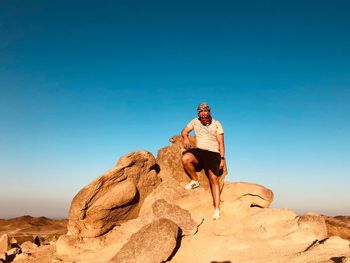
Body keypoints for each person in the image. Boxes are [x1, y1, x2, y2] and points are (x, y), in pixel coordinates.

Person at [181, 102, 226, 220]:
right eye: (201, 111)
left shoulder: (216, 124)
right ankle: (195, 180)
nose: (203, 113)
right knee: (186, 158)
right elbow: (184, 131)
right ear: (199, 113)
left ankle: (217, 209)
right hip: (200, 152)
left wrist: (222, 159)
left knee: (214, 179)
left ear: (209, 112)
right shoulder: (195, 121)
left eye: (205, 111)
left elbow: (221, 143)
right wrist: (185, 137)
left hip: (213, 153)